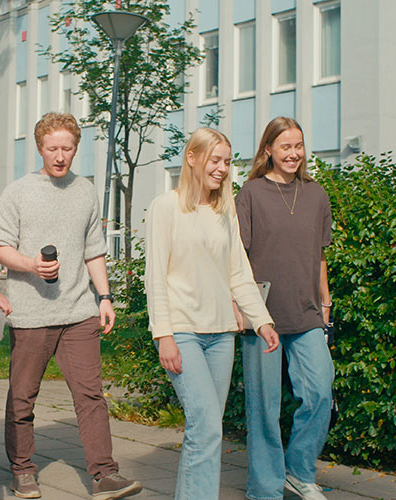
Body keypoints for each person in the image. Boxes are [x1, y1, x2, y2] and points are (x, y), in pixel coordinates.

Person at [0, 112, 141, 500]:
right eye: (52, 148)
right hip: (31, 315)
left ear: (76, 148)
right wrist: (31, 265)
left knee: (90, 396)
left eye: (67, 148)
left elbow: (94, 250)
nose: (60, 156)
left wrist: (105, 297)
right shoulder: (18, 192)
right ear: (40, 148)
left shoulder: (85, 190)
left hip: (79, 312)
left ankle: (105, 475)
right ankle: (23, 471)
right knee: (23, 397)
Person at [144, 127, 280, 500]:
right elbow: (154, 276)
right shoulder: (165, 207)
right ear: (192, 157)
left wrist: (262, 319)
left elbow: (238, 271)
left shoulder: (225, 209)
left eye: (226, 161)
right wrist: (164, 334)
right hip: (183, 332)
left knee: (208, 429)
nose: (221, 169)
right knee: (205, 428)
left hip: (222, 334)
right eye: (214, 159)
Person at [235, 117, 334, 500]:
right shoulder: (252, 194)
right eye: (285, 146)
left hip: (307, 314)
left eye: (298, 146)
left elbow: (320, 255)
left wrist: (325, 303)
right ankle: (265, 488)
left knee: (320, 394)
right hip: (262, 316)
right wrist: (239, 304)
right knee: (264, 407)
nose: (293, 153)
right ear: (268, 151)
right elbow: (237, 257)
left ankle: (298, 469)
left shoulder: (316, 194)